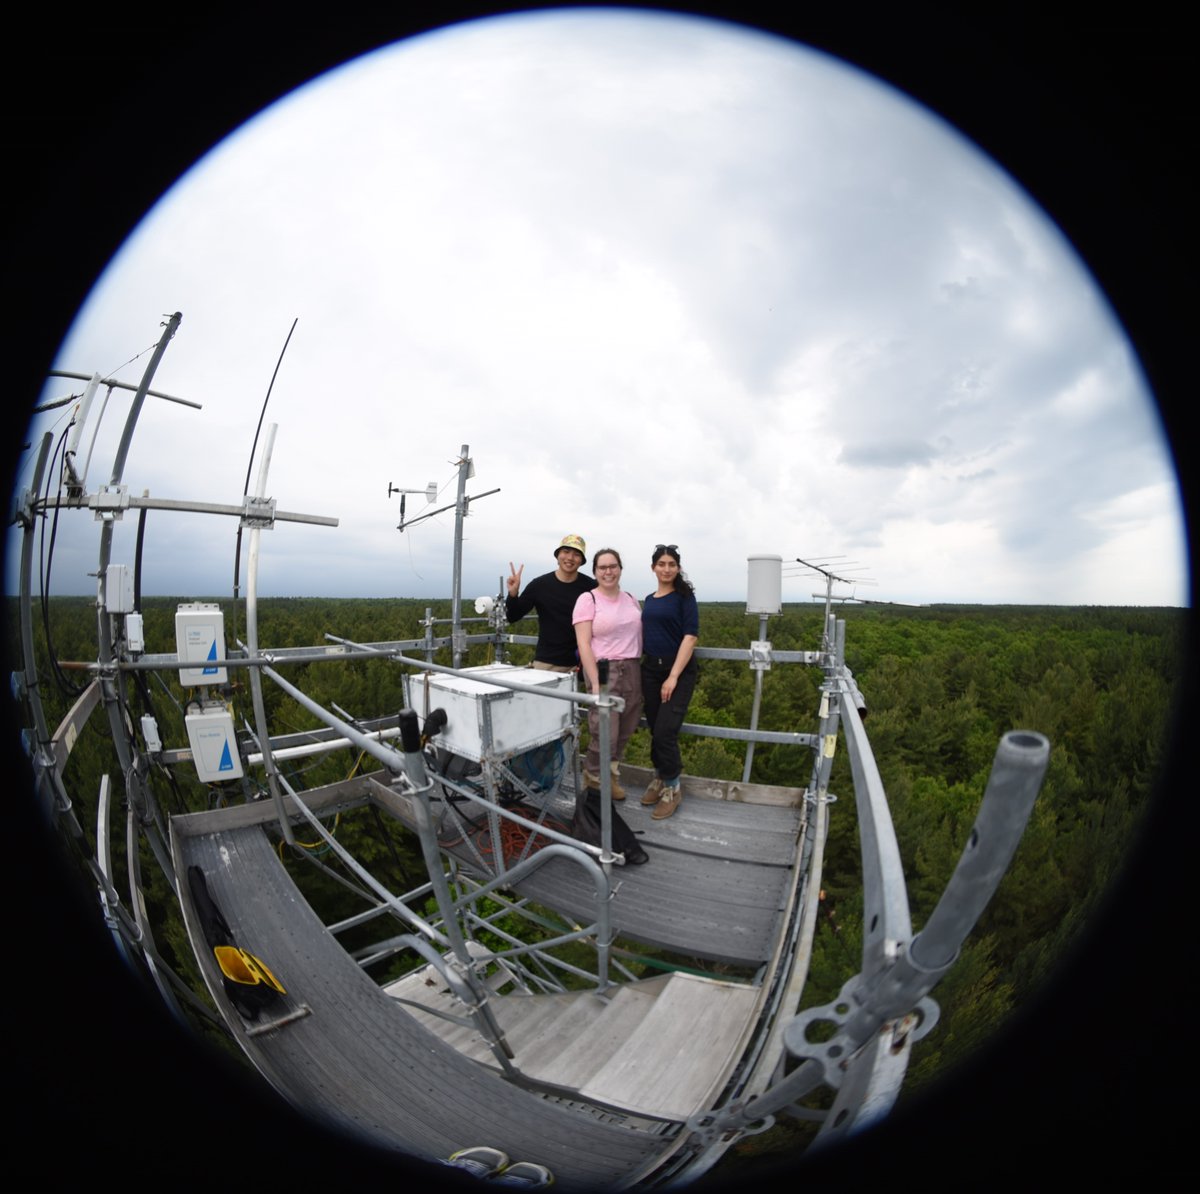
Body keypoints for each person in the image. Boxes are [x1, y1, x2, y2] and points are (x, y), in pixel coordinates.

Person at [572, 548, 643, 800]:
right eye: (602, 567)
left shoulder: (631, 599)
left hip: (632, 669)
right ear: (595, 572)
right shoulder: (587, 600)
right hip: (604, 671)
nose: (608, 571)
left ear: (620, 569)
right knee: (604, 734)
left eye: (613, 566)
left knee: (625, 730)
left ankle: (610, 779)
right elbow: (583, 643)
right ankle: (592, 785)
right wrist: (594, 684)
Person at [639, 544, 699, 820]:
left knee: (665, 730)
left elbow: (690, 636)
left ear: (678, 568)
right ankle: (661, 776)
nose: (666, 569)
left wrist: (673, 676)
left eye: (671, 564)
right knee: (655, 728)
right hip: (650, 670)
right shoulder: (649, 599)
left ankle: (673, 788)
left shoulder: (684, 597)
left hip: (678, 672)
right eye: (661, 564)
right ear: (653, 568)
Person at [505, 534, 597, 671]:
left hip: (583, 663)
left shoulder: (592, 587)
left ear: (581, 560)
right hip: (547, 663)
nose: (570, 558)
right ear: (557, 555)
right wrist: (513, 594)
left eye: (576, 554)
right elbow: (512, 616)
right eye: (566, 552)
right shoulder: (539, 585)